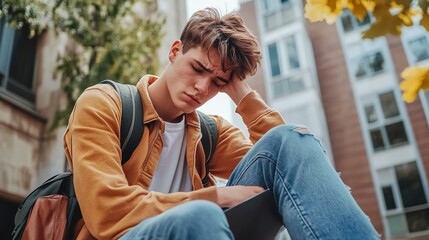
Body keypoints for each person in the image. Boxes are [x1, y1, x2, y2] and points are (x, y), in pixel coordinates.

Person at [63, 7, 380, 240]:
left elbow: (286, 165)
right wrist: (214, 197)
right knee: (201, 215)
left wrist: (240, 90)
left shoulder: (210, 132)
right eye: (197, 67)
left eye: (217, 81)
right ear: (175, 51)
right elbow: (107, 211)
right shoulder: (105, 103)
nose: (202, 88)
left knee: (289, 140)